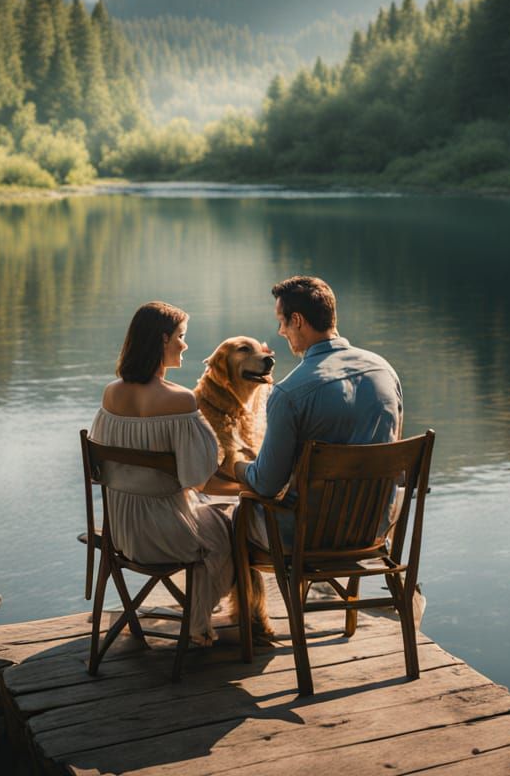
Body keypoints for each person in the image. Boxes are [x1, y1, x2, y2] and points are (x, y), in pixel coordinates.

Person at [88, 301, 233, 646]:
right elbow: (201, 479)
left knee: (211, 517)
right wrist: (249, 487)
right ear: (163, 340)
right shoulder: (181, 401)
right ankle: (199, 620)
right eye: (181, 337)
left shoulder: (111, 394)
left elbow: (99, 470)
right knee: (230, 525)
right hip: (168, 534)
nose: (185, 345)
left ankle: (196, 618)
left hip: (121, 532)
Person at [234, 275, 403, 546]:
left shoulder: (288, 394)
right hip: (374, 530)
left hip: (308, 538)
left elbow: (266, 484)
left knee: (233, 518)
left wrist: (238, 466)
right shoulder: (384, 371)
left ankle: (256, 589)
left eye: (281, 321)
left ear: (297, 320)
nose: (280, 331)